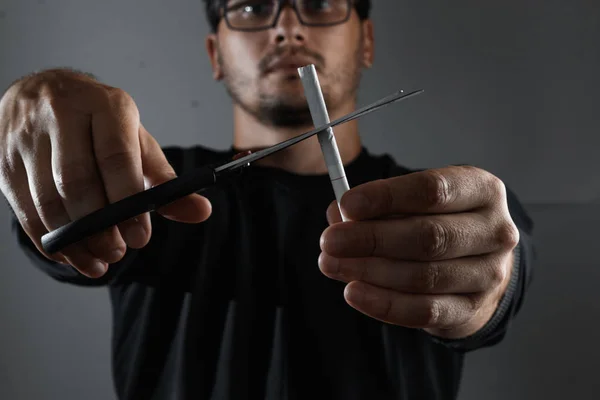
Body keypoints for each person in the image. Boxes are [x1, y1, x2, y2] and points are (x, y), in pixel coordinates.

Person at [0, 1, 535, 399]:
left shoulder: (441, 206)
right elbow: (58, 238)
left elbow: (505, 265)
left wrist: (489, 286)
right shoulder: (151, 186)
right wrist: (51, 146)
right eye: (253, 7)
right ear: (215, 53)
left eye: (320, 4)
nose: (287, 27)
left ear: (366, 40)